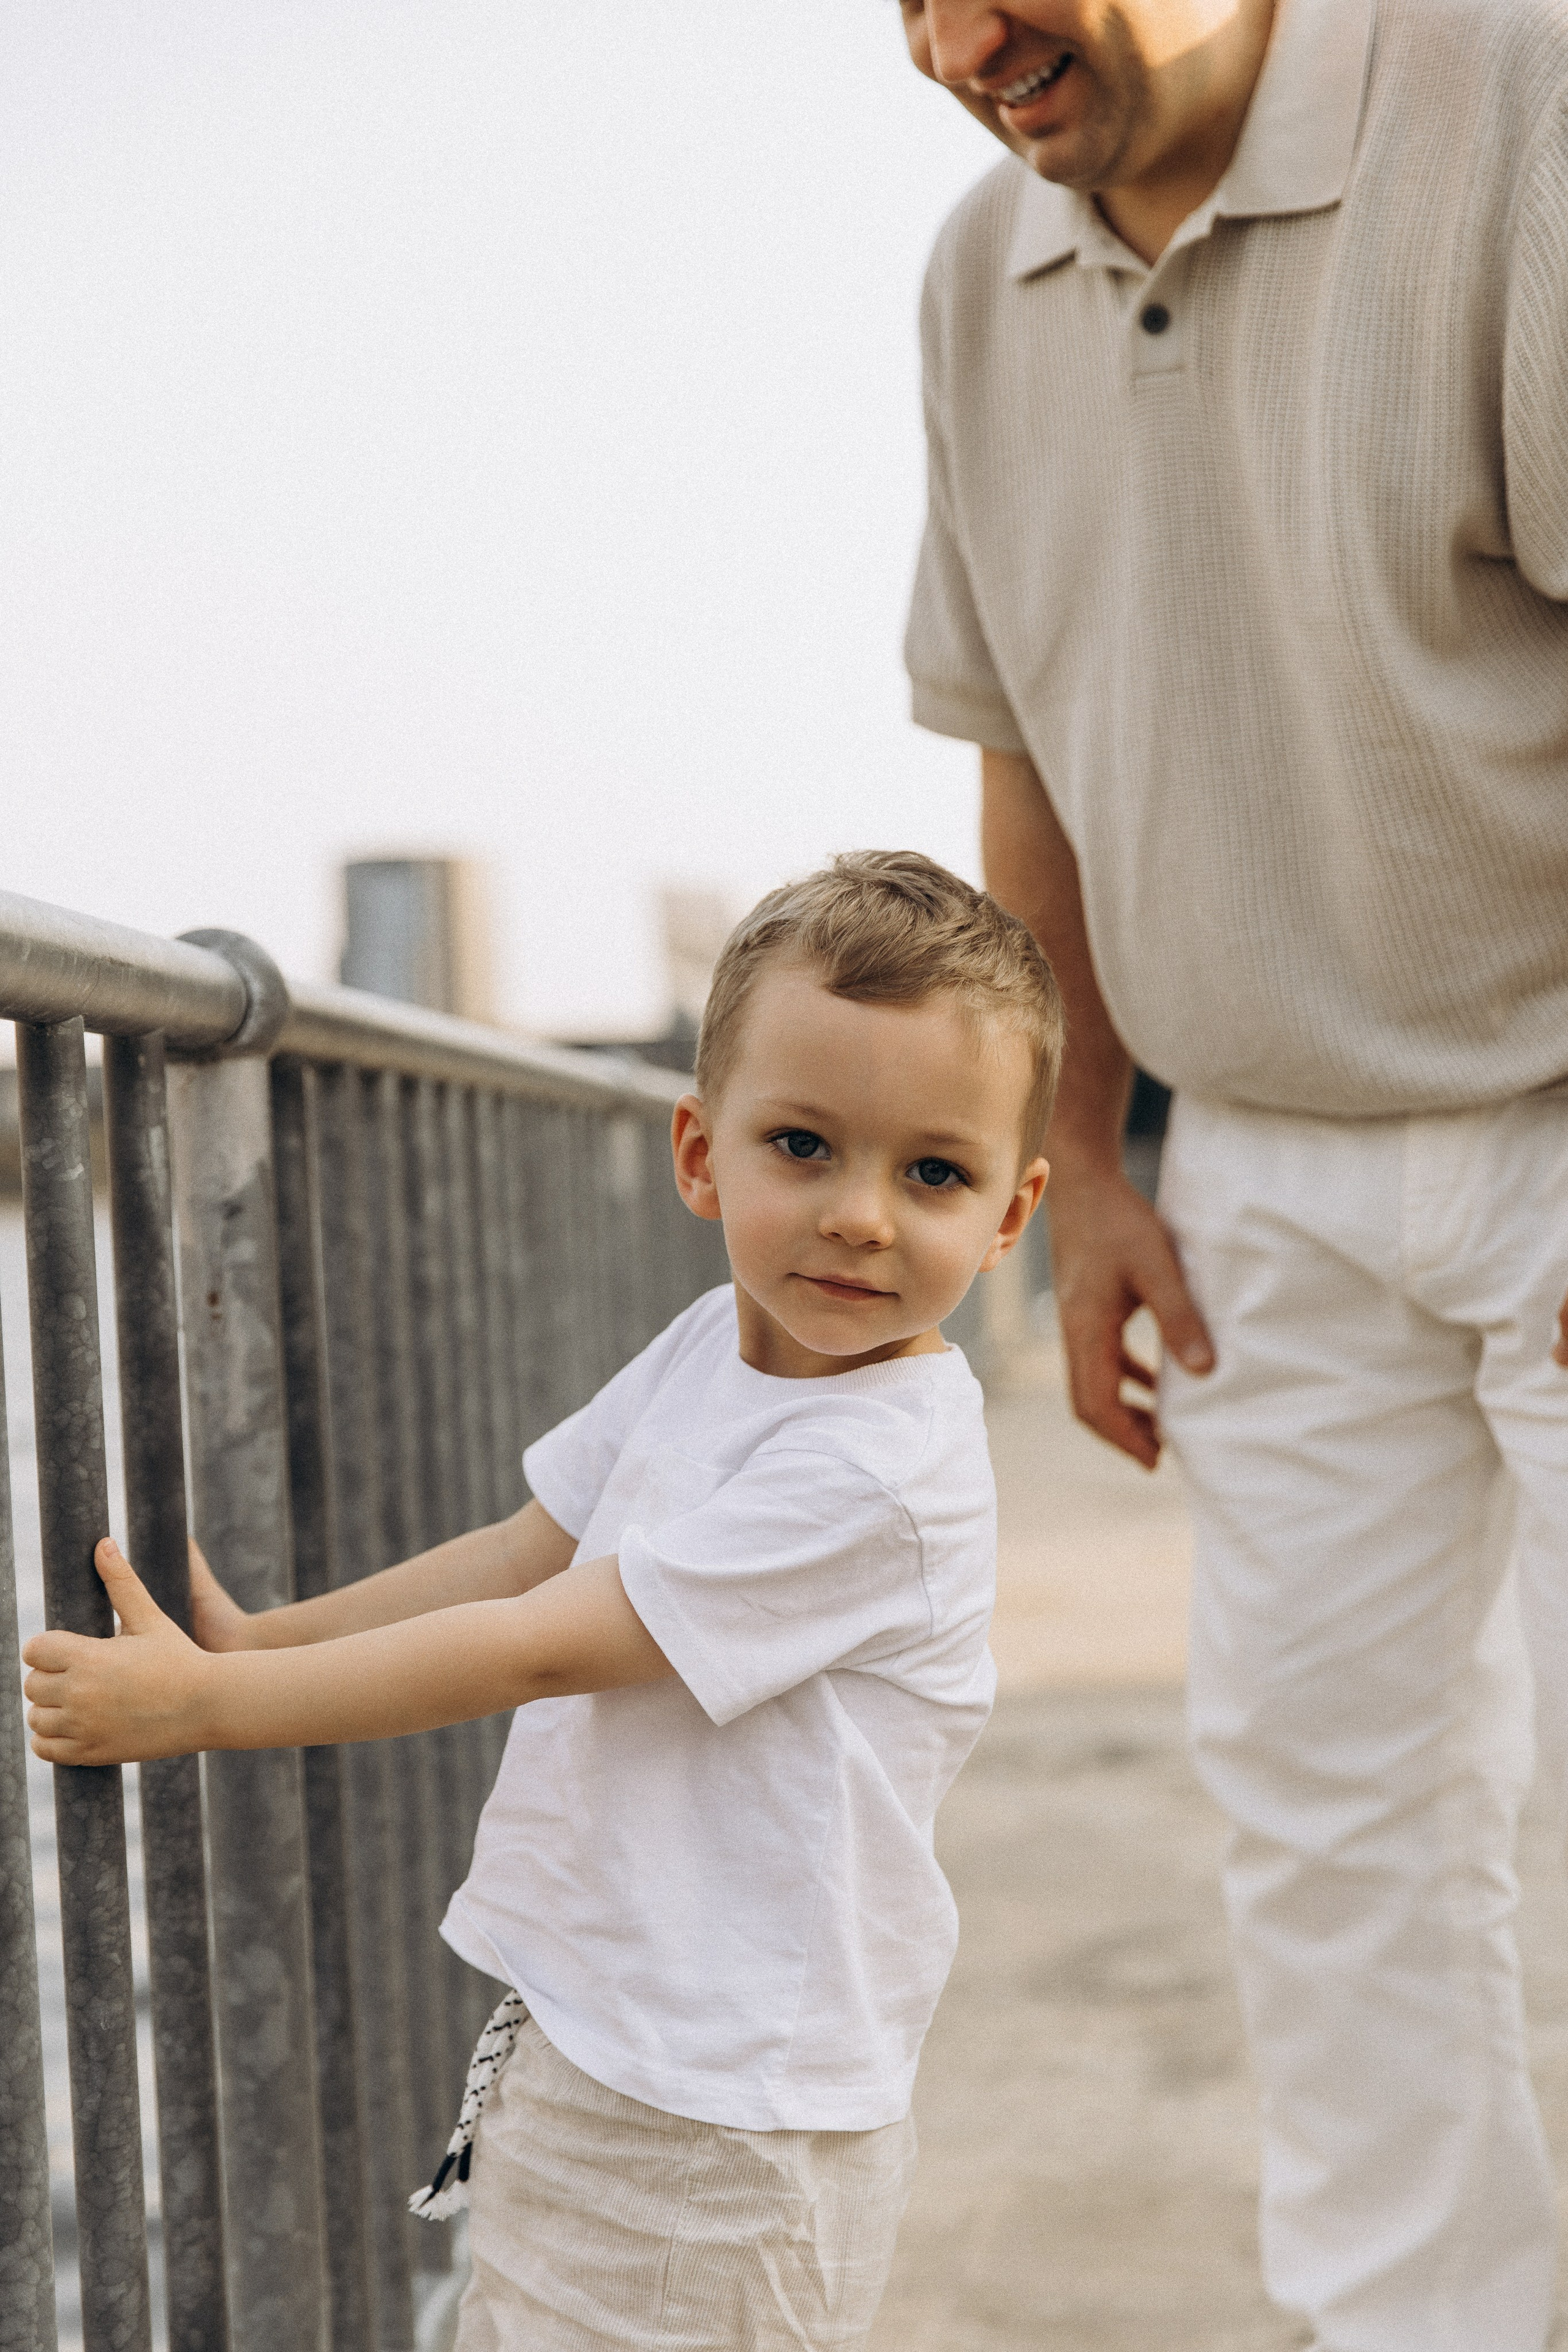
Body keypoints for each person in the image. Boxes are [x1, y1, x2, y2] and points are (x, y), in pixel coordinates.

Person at [898, 0, 1568, 2344]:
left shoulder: (1521, 101)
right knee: (1331, 1826)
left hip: (1561, 1105)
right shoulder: (979, 275)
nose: (959, 43)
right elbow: (1024, 760)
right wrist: (1076, 1165)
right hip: (1261, 1161)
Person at [23, 850, 1063, 2352]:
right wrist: (268, 1640)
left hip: (726, 2131)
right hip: (603, 2044)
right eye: (803, 1146)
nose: (858, 1218)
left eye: (932, 1173)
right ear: (701, 1155)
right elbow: (528, 1548)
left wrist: (209, 1709)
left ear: (1012, 1212)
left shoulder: (877, 1474)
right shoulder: (715, 1337)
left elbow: (535, 1644)